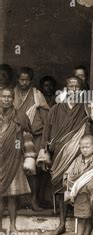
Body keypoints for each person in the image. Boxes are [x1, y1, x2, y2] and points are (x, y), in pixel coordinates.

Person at [38, 76, 93, 235]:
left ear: (82, 90)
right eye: (71, 86)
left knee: (81, 186)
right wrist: (44, 153)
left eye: (77, 87)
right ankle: (61, 223)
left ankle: (85, 228)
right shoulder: (56, 109)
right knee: (61, 187)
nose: (74, 90)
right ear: (66, 89)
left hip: (81, 155)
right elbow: (46, 132)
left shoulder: (87, 107)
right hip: (60, 154)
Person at [0, 87, 37, 232]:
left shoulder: (20, 116)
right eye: (3, 97)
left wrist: (19, 149)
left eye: (9, 97)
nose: (6, 99)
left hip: (13, 160)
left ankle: (13, 226)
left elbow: (24, 137)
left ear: (13, 99)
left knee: (12, 196)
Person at [14, 67, 49, 211]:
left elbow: (45, 115)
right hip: (16, 136)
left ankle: (34, 200)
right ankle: (17, 202)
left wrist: (44, 136)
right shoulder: (11, 94)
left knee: (34, 169)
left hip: (35, 136)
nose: (24, 82)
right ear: (17, 79)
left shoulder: (36, 94)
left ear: (31, 80)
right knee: (15, 168)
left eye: (27, 79)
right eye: (21, 79)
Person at [64, 135, 93, 235]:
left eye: (87, 147)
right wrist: (68, 177)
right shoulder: (77, 160)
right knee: (80, 218)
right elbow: (70, 173)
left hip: (91, 192)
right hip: (80, 193)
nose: (84, 150)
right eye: (82, 148)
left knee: (90, 217)